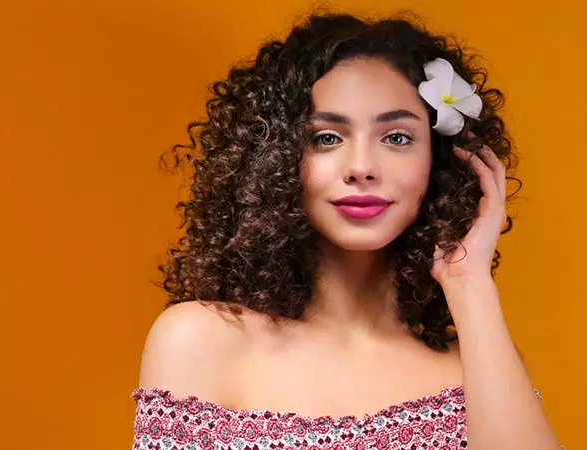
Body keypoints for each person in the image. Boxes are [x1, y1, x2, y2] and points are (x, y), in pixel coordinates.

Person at [131, 11, 564, 449]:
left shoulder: (481, 366)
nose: (361, 168)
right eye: (326, 138)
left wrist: (469, 284)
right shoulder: (200, 341)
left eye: (397, 138)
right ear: (275, 159)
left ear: (441, 162)